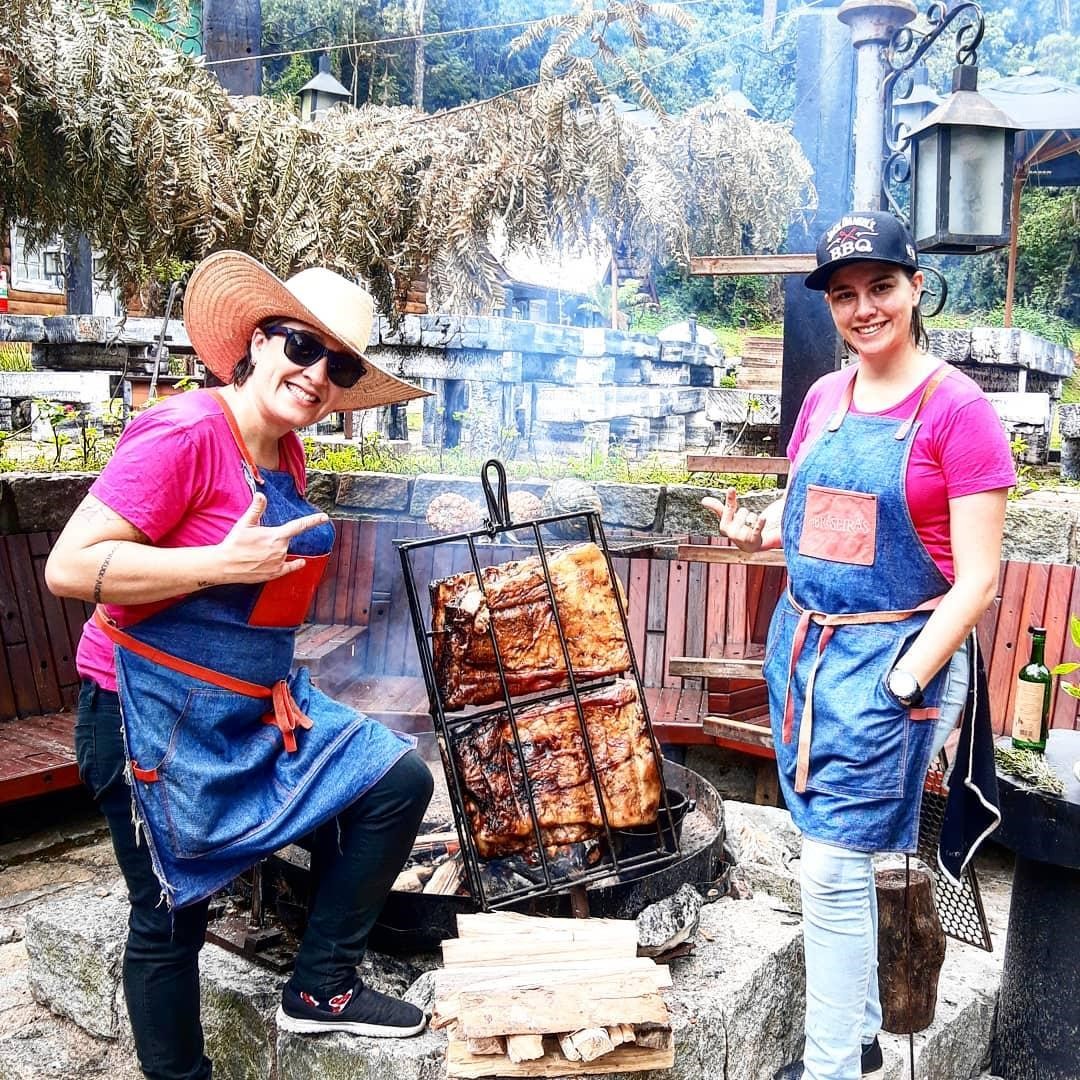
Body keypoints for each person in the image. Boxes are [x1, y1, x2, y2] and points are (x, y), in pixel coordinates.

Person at [45, 251, 436, 1080]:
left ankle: (322, 984)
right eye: (300, 346)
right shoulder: (185, 431)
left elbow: (261, 597)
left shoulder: (284, 452)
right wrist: (217, 565)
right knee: (168, 919)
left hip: (246, 706)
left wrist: (279, 680)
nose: (315, 375)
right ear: (257, 341)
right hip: (140, 712)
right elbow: (71, 569)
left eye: (338, 365)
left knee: (395, 782)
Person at [703, 211, 1016, 1080]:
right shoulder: (825, 399)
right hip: (804, 652)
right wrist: (755, 531)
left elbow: (979, 580)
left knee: (834, 868)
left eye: (881, 286)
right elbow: (813, 513)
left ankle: (833, 1065)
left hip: (891, 660)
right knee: (829, 845)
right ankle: (869, 1033)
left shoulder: (960, 412)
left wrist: (907, 679)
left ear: (917, 287)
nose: (864, 308)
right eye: (845, 294)